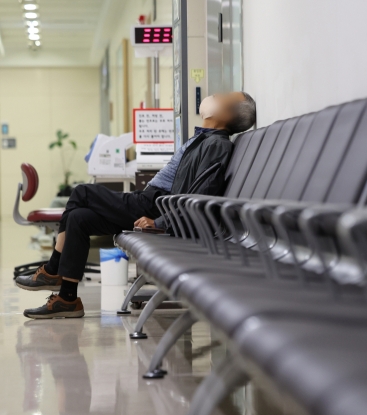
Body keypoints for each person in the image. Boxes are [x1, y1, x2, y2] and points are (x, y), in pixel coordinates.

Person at [15, 92, 257, 319]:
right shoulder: (204, 138)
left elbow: (201, 194)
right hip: (154, 201)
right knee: (79, 217)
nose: (216, 95)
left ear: (226, 115)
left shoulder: (217, 145)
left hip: (156, 205)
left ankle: (52, 268)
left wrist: (161, 223)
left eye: (224, 97)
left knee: (81, 192)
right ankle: (67, 299)